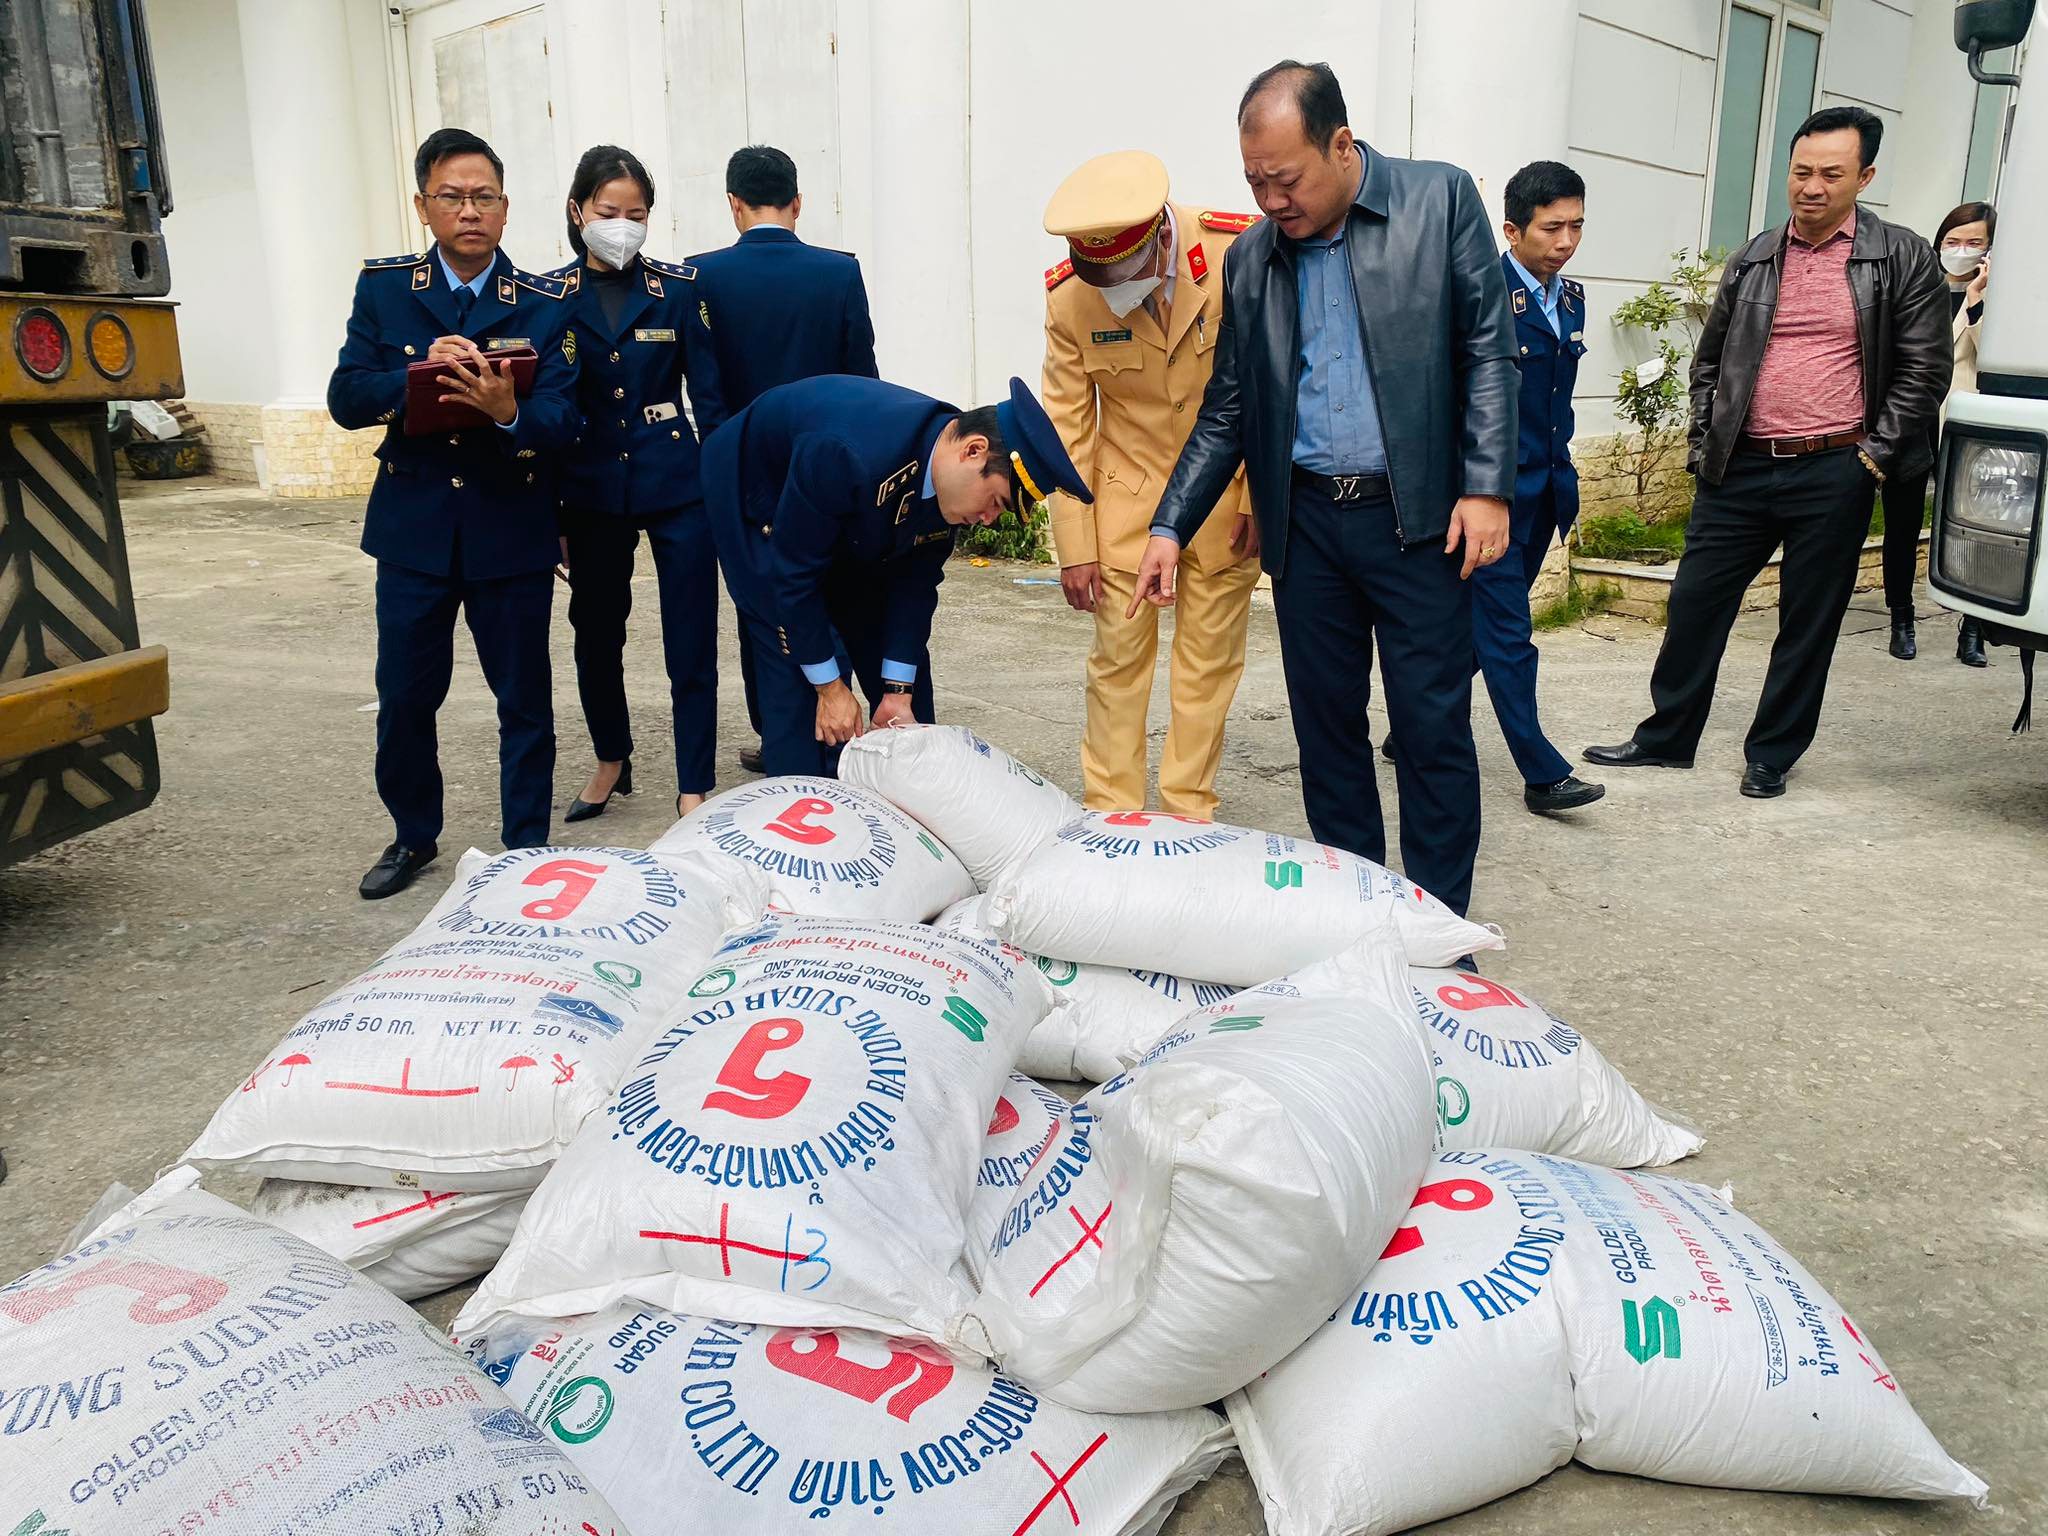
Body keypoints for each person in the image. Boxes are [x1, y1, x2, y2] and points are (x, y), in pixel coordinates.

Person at [1131, 60, 1516, 919]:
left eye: (1286, 178)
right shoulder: (1255, 259)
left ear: (1341, 145)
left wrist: (1486, 485)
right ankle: (1357, 911)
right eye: (1254, 181)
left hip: (1419, 523)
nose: (1271, 200)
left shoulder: (1440, 200)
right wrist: (1169, 525)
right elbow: (1228, 405)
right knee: (1327, 734)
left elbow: (1487, 349)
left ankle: (1434, 921)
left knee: (1428, 729)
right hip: (1307, 528)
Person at [1585, 106, 1951, 799]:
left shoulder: (1899, 257)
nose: (1811, 187)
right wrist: (1703, 443)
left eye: (1831, 174)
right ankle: (1667, 738)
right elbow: (1709, 362)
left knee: (1807, 620)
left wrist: (1872, 458)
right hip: (1742, 464)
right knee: (1695, 603)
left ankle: (1772, 753)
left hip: (1836, 466)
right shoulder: (1757, 256)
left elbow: (1924, 371)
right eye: (1801, 172)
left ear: (1864, 176)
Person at [328, 127, 578, 900]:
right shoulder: (385, 290)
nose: (469, 211)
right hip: (415, 531)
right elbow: (344, 397)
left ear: (505, 211)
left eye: (484, 198)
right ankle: (412, 836)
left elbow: (567, 420)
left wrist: (510, 414)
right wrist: (413, 375)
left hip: (511, 528)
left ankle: (525, 847)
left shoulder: (543, 304)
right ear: (424, 206)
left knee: (524, 699)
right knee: (405, 696)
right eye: (452, 197)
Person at [702, 375, 1089, 777]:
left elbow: (914, 588)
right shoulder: (848, 452)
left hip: (841, 515)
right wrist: (830, 688)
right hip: (755, 495)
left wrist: (898, 693)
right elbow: (795, 576)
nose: (988, 520)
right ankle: (801, 801)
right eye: (994, 502)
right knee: (797, 678)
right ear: (974, 451)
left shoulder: (943, 481)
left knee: (905, 700)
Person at [1039, 150, 1262, 819]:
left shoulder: (1238, 254)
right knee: (1116, 665)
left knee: (1207, 670)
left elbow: (1276, 385)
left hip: (1226, 501)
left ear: (1161, 236)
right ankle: (1110, 811)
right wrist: (1074, 544)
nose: (1111, 292)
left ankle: (1188, 811)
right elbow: (1067, 426)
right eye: (1098, 277)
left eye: (1123, 277)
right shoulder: (1070, 296)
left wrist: (1257, 498)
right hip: (1124, 501)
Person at [688, 145, 880, 774]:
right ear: (798, 203)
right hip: (830, 474)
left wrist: (729, 477)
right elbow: (863, 381)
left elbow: (707, 395)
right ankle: (835, 724)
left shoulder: (701, 277)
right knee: (832, 589)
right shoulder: (839, 272)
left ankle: (779, 734)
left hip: (747, 475)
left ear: (734, 205)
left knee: (761, 605)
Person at [546, 144, 723, 826]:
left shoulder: (678, 290)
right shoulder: (551, 295)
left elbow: (708, 399)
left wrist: (719, 482)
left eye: (636, 213)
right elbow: (549, 409)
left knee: (690, 635)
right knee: (595, 631)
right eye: (608, 210)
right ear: (577, 211)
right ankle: (611, 760)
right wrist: (550, 509)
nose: (622, 224)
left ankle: (693, 781)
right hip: (589, 487)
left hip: (677, 481)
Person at [1477, 159, 1605, 814]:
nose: (1566, 241)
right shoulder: (1484, 299)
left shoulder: (1573, 298)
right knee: (1509, 635)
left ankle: (1411, 725)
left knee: (1478, 633)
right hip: (1492, 499)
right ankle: (1542, 774)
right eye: (1552, 227)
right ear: (1512, 229)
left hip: (1549, 491)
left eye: (1576, 226)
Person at [1883, 201, 1996, 665]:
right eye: (1952, 241)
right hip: (1911, 423)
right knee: (1902, 526)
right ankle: (1901, 619)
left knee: (1974, 531)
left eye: (1974, 243)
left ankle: (1972, 628)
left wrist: (1978, 301)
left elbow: (1989, 355)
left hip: (1964, 425)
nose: (1961, 251)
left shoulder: (2004, 299)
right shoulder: (1917, 289)